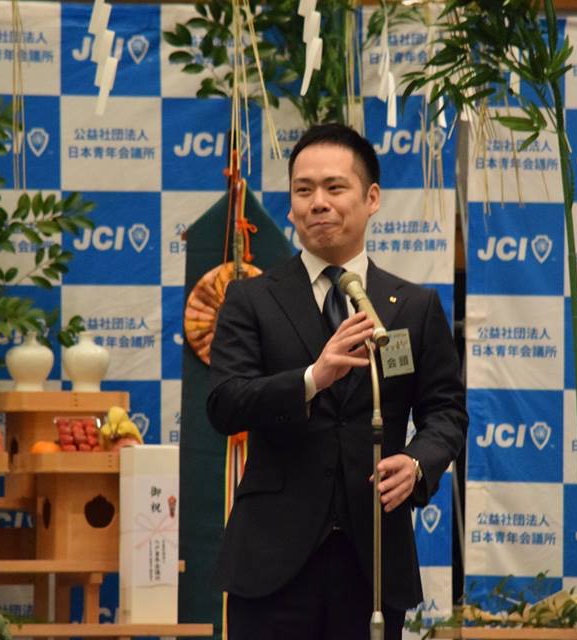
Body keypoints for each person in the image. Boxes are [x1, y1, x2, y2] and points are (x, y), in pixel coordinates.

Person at [206, 122, 467, 640]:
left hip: (372, 559)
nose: (318, 203)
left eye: (334, 187)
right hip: (271, 560)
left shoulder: (413, 307)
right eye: (303, 190)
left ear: (371, 199)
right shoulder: (251, 298)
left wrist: (418, 463)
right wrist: (311, 378)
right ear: (290, 206)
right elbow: (224, 403)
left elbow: (446, 412)